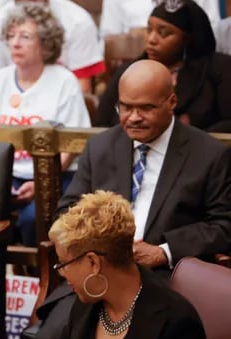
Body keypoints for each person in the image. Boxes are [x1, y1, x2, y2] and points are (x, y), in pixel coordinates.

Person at [0, 190, 210, 339]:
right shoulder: (89, 300)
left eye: (64, 263)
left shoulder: (175, 324)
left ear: (93, 262)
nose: (62, 273)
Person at [60, 59, 231, 274]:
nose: (134, 118)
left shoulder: (209, 154)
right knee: (56, 308)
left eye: (146, 108)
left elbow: (223, 226)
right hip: (101, 271)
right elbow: (68, 209)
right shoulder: (99, 147)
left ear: (172, 102)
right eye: (125, 107)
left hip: (167, 275)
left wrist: (164, 252)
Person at [0, 3, 90, 246]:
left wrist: (40, 182)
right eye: (11, 36)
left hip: (54, 174)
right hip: (3, 175)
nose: (15, 43)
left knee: (33, 220)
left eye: (25, 36)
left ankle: (39, 279)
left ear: (45, 44)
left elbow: (71, 144)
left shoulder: (64, 81)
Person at [96, 0, 231, 132]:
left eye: (163, 32)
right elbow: (101, 125)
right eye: (149, 30)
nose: (151, 39)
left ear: (187, 39)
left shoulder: (219, 68)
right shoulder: (129, 71)